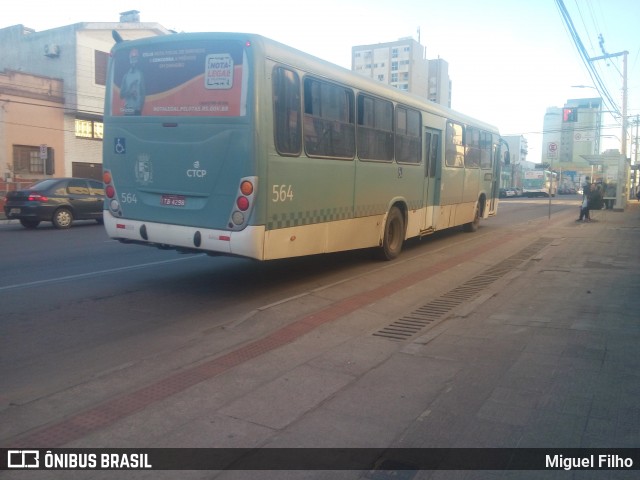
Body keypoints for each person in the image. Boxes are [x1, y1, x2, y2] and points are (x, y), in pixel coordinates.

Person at [120, 48, 145, 115]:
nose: (134, 60)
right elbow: (121, 95)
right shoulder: (126, 76)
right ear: (129, 59)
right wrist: (129, 93)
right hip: (128, 110)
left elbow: (143, 93)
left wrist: (140, 108)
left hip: (138, 110)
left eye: (135, 58)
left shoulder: (140, 75)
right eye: (132, 58)